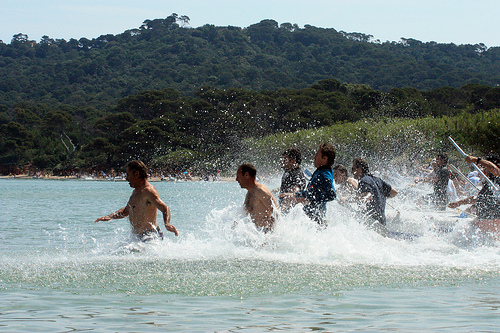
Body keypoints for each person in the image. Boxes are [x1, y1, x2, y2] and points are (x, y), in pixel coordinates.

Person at [94, 160, 179, 241]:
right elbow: (126, 210)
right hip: (137, 237)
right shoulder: (136, 191)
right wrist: (110, 217)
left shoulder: (149, 191)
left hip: (150, 236)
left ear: (136, 174)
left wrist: (167, 223)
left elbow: (164, 208)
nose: (126, 178)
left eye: (128, 175)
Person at [280, 143, 337, 225]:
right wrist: (299, 195)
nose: (314, 157)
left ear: (324, 158)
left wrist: (308, 198)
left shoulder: (325, 174)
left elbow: (331, 195)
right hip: (312, 219)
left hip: (317, 220)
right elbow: (312, 192)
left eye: (317, 155)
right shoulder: (321, 171)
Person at [448, 155, 500, 225]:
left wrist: (477, 160)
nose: (483, 170)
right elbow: (476, 199)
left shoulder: (497, 181)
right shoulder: (488, 185)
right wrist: (458, 203)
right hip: (484, 220)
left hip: (493, 221)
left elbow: (494, 169)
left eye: (485, 168)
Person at [351, 158, 398, 228]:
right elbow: (394, 192)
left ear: (360, 169)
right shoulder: (377, 179)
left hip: (371, 223)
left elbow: (367, 195)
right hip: (382, 223)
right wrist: (380, 197)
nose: (351, 172)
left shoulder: (363, 180)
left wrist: (349, 200)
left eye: (353, 169)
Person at [236, 163, 278, 233]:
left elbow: (276, 214)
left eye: (238, 176)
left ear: (246, 175)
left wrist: (268, 233)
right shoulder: (249, 193)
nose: (236, 179)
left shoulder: (261, 191)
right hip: (257, 235)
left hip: (265, 236)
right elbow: (243, 213)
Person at [279, 148, 307, 212]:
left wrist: (279, 212)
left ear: (293, 161)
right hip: (287, 213)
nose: (282, 162)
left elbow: (294, 193)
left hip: (291, 216)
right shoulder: (289, 172)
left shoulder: (297, 174)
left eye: (285, 160)